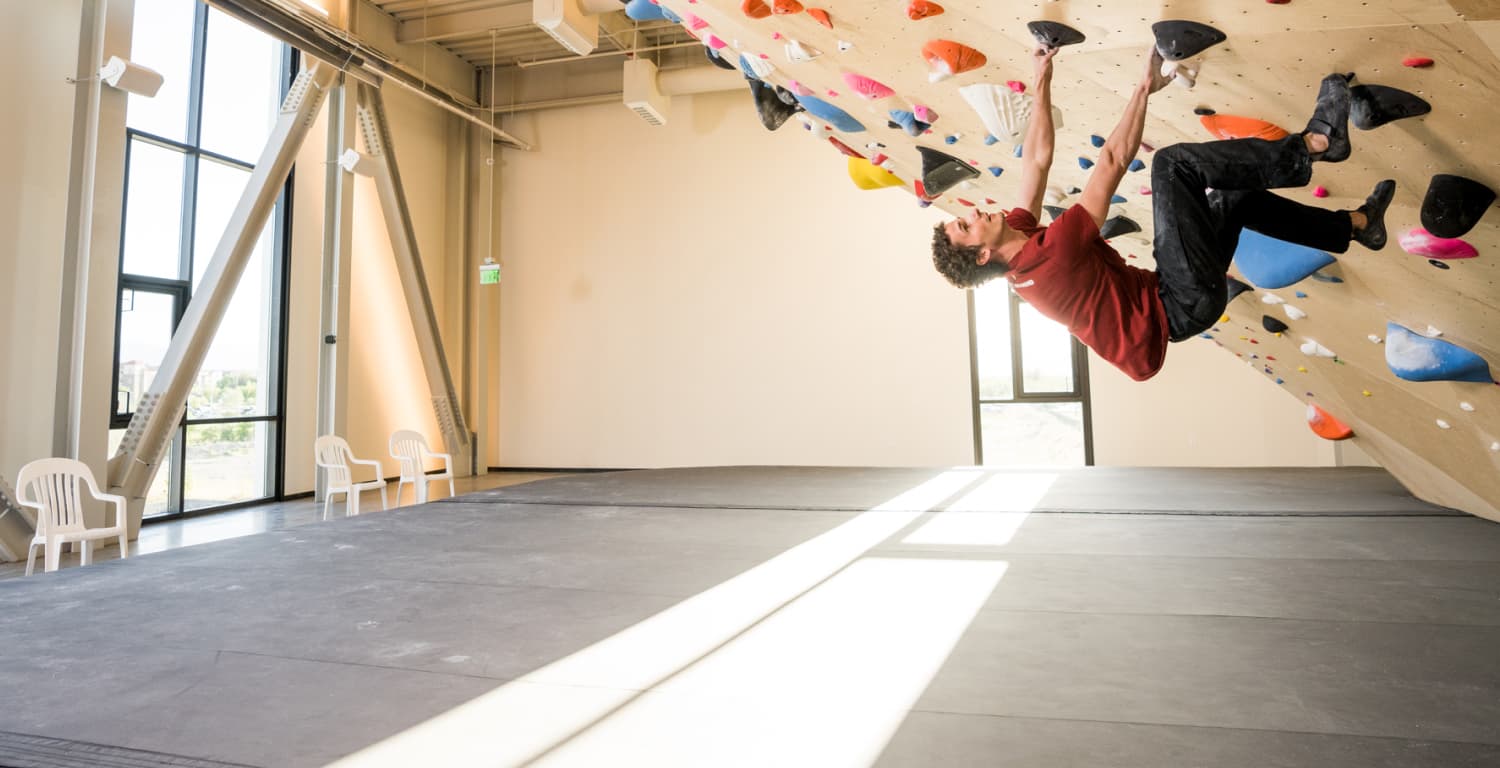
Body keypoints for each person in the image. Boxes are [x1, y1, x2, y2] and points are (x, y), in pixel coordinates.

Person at [930, 46, 1395, 381]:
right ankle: (1315, 146)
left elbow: (1035, 159)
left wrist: (1041, 78)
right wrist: (1144, 88)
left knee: (1237, 198)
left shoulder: (1021, 243)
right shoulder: (1050, 260)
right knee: (1172, 165)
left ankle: (1357, 226)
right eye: (966, 226)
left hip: (1178, 300)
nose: (976, 213)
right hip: (1180, 301)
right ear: (981, 256)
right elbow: (1110, 162)